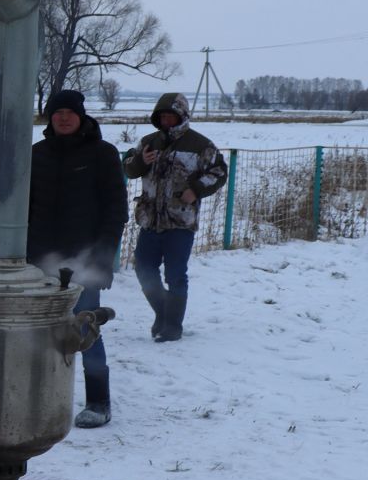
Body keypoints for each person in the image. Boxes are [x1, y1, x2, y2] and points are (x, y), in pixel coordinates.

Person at [29, 88, 127, 427]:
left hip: (84, 261)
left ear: (81, 116)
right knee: (38, 332)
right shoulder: (36, 154)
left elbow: (116, 211)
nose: (64, 118)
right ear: (49, 117)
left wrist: (102, 259)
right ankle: (40, 397)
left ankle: (99, 401)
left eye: (70, 112)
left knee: (85, 327)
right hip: (38, 263)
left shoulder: (102, 154)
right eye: (58, 113)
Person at [122, 91, 227, 342]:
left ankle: (173, 326)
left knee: (175, 275)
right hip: (150, 220)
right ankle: (163, 313)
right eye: (163, 116)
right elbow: (129, 168)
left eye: (172, 115)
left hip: (180, 221)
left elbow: (219, 171)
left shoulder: (200, 144)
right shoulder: (149, 142)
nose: (167, 120)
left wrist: (196, 190)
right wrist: (140, 161)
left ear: (182, 116)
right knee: (144, 269)